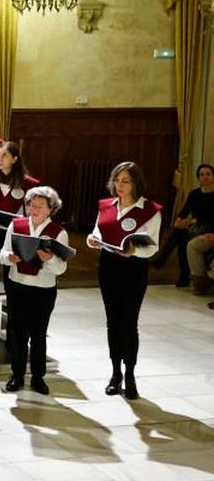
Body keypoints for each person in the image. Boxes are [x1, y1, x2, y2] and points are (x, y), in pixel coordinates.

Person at [86, 162, 161, 400]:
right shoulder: (105, 205)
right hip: (108, 267)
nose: (120, 185)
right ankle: (115, 373)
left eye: (125, 181)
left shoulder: (150, 209)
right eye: (117, 180)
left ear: (136, 183)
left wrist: (134, 252)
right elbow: (98, 231)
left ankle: (130, 374)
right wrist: (93, 239)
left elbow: (153, 247)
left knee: (129, 322)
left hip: (134, 269)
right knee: (112, 321)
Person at [0, 185, 68, 395]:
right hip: (17, 284)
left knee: (38, 334)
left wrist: (49, 259)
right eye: (31, 204)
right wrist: (8, 258)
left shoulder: (58, 232)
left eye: (40, 205)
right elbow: (2, 252)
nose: (34, 208)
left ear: (51, 209)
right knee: (17, 333)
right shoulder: (16, 224)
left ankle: (38, 377)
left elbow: (61, 268)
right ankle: (16, 375)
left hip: (43, 289)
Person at [0, 141, 40, 348]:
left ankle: (13, 329)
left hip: (15, 238)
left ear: (15, 159)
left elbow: (30, 214)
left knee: (13, 282)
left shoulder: (28, 184)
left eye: (4, 155)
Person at [152, 162, 214, 292]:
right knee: (179, 234)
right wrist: (182, 221)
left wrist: (190, 221)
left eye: (208, 174)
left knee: (181, 237)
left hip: (209, 228)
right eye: (201, 175)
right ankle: (184, 275)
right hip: (196, 228)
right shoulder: (195, 194)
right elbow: (183, 213)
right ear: (198, 178)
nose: (205, 177)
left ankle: (164, 262)